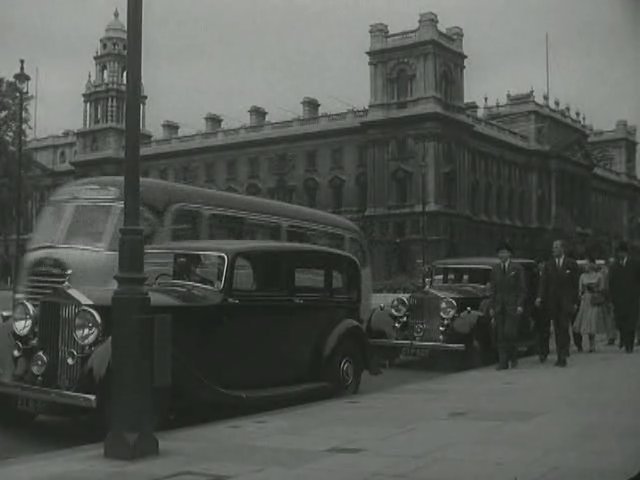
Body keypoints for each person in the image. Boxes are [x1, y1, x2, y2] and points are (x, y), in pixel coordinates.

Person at [536, 240, 580, 367]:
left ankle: (563, 354)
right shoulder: (548, 265)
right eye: (553, 247)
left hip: (566, 302)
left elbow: (575, 285)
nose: (553, 250)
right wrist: (540, 297)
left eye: (556, 247)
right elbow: (543, 283)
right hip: (553, 302)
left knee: (564, 327)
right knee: (557, 328)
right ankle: (560, 355)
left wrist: (575, 302)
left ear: (562, 249)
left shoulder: (571, 264)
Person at [488, 241, 526, 370]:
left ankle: (513, 356)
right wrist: (492, 306)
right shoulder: (495, 269)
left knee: (509, 333)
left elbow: (522, 288)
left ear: (509, 254)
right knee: (500, 335)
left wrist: (520, 304)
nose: (502, 255)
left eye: (504, 252)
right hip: (499, 306)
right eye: (500, 253)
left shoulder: (517, 268)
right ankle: (503, 362)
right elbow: (493, 289)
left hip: (512, 305)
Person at [609, 242, 640, 353]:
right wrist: (612, 298)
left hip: (632, 299)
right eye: (618, 253)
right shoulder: (614, 266)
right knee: (621, 322)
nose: (620, 255)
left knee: (631, 322)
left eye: (622, 252)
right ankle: (624, 339)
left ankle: (629, 345)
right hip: (619, 299)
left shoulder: (635, 264)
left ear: (626, 253)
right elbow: (611, 283)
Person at [573, 255, 606, 352]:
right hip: (585, 300)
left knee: (593, 321)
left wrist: (595, 289)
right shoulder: (582, 276)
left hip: (594, 299)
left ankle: (592, 344)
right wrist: (582, 294)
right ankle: (588, 342)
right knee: (586, 321)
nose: (586, 266)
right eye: (585, 264)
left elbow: (602, 288)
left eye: (587, 264)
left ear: (592, 264)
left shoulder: (599, 276)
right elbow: (580, 290)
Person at [533, 258, 550, 362]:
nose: (542, 266)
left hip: (546, 306)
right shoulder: (534, 276)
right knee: (538, 329)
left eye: (544, 264)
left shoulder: (549, 276)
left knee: (545, 329)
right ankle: (539, 349)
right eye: (540, 264)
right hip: (535, 307)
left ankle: (544, 351)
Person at [601, 257, 618, 345]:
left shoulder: (611, 273)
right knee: (609, 319)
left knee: (611, 319)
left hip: (612, 298)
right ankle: (611, 337)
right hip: (608, 298)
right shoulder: (606, 273)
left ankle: (612, 337)